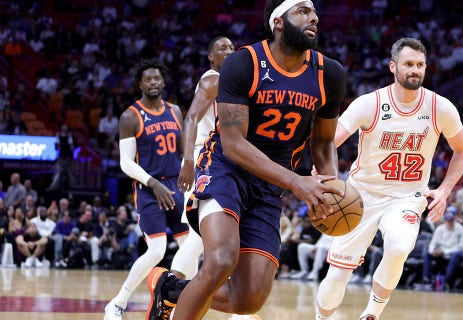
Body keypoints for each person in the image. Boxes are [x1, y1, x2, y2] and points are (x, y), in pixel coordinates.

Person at [147, 1, 347, 319]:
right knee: (221, 260)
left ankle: (173, 290)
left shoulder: (329, 74)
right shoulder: (245, 63)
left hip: (270, 186)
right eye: (303, 11)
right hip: (226, 168)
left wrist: (329, 186)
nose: (314, 17)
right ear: (278, 22)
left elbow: (322, 142)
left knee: (249, 299)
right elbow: (234, 143)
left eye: (314, 11)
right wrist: (297, 181)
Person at [316, 37, 463, 320]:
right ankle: (322, 318)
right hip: (360, 196)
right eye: (409, 64)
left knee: (399, 247)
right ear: (393, 66)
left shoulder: (440, 107)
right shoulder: (369, 104)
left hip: (407, 196)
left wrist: (445, 190)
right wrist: (318, 172)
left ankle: (371, 314)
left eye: (420, 65)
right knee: (338, 274)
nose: (415, 70)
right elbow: (328, 140)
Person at [104, 59, 190, 320]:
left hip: (176, 185)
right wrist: (154, 184)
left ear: (163, 82)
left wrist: (190, 173)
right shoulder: (130, 116)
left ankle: (178, 305)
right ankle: (118, 302)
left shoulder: (174, 110)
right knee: (156, 250)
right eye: (148, 79)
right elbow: (126, 162)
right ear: (140, 84)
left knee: (189, 247)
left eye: (157, 78)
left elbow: (183, 151)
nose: (153, 82)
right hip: (149, 189)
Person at [169, 35, 235, 281]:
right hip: (203, 158)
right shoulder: (212, 78)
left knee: (205, 235)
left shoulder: (229, 82)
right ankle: (167, 294)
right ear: (211, 57)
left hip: (219, 158)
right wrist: (188, 161)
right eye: (221, 48)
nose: (228, 51)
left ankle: (179, 304)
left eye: (231, 47)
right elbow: (191, 119)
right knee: (199, 235)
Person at [421, 208, 463, 290]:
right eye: (447, 220)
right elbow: (433, 242)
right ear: (445, 220)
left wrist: (443, 252)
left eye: (451, 220)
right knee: (427, 253)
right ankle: (426, 279)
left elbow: (461, 246)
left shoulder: (460, 229)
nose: (449, 222)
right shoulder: (440, 229)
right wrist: (433, 251)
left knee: (455, 255)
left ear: (454, 219)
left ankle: (446, 281)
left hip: (460, 254)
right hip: (443, 254)